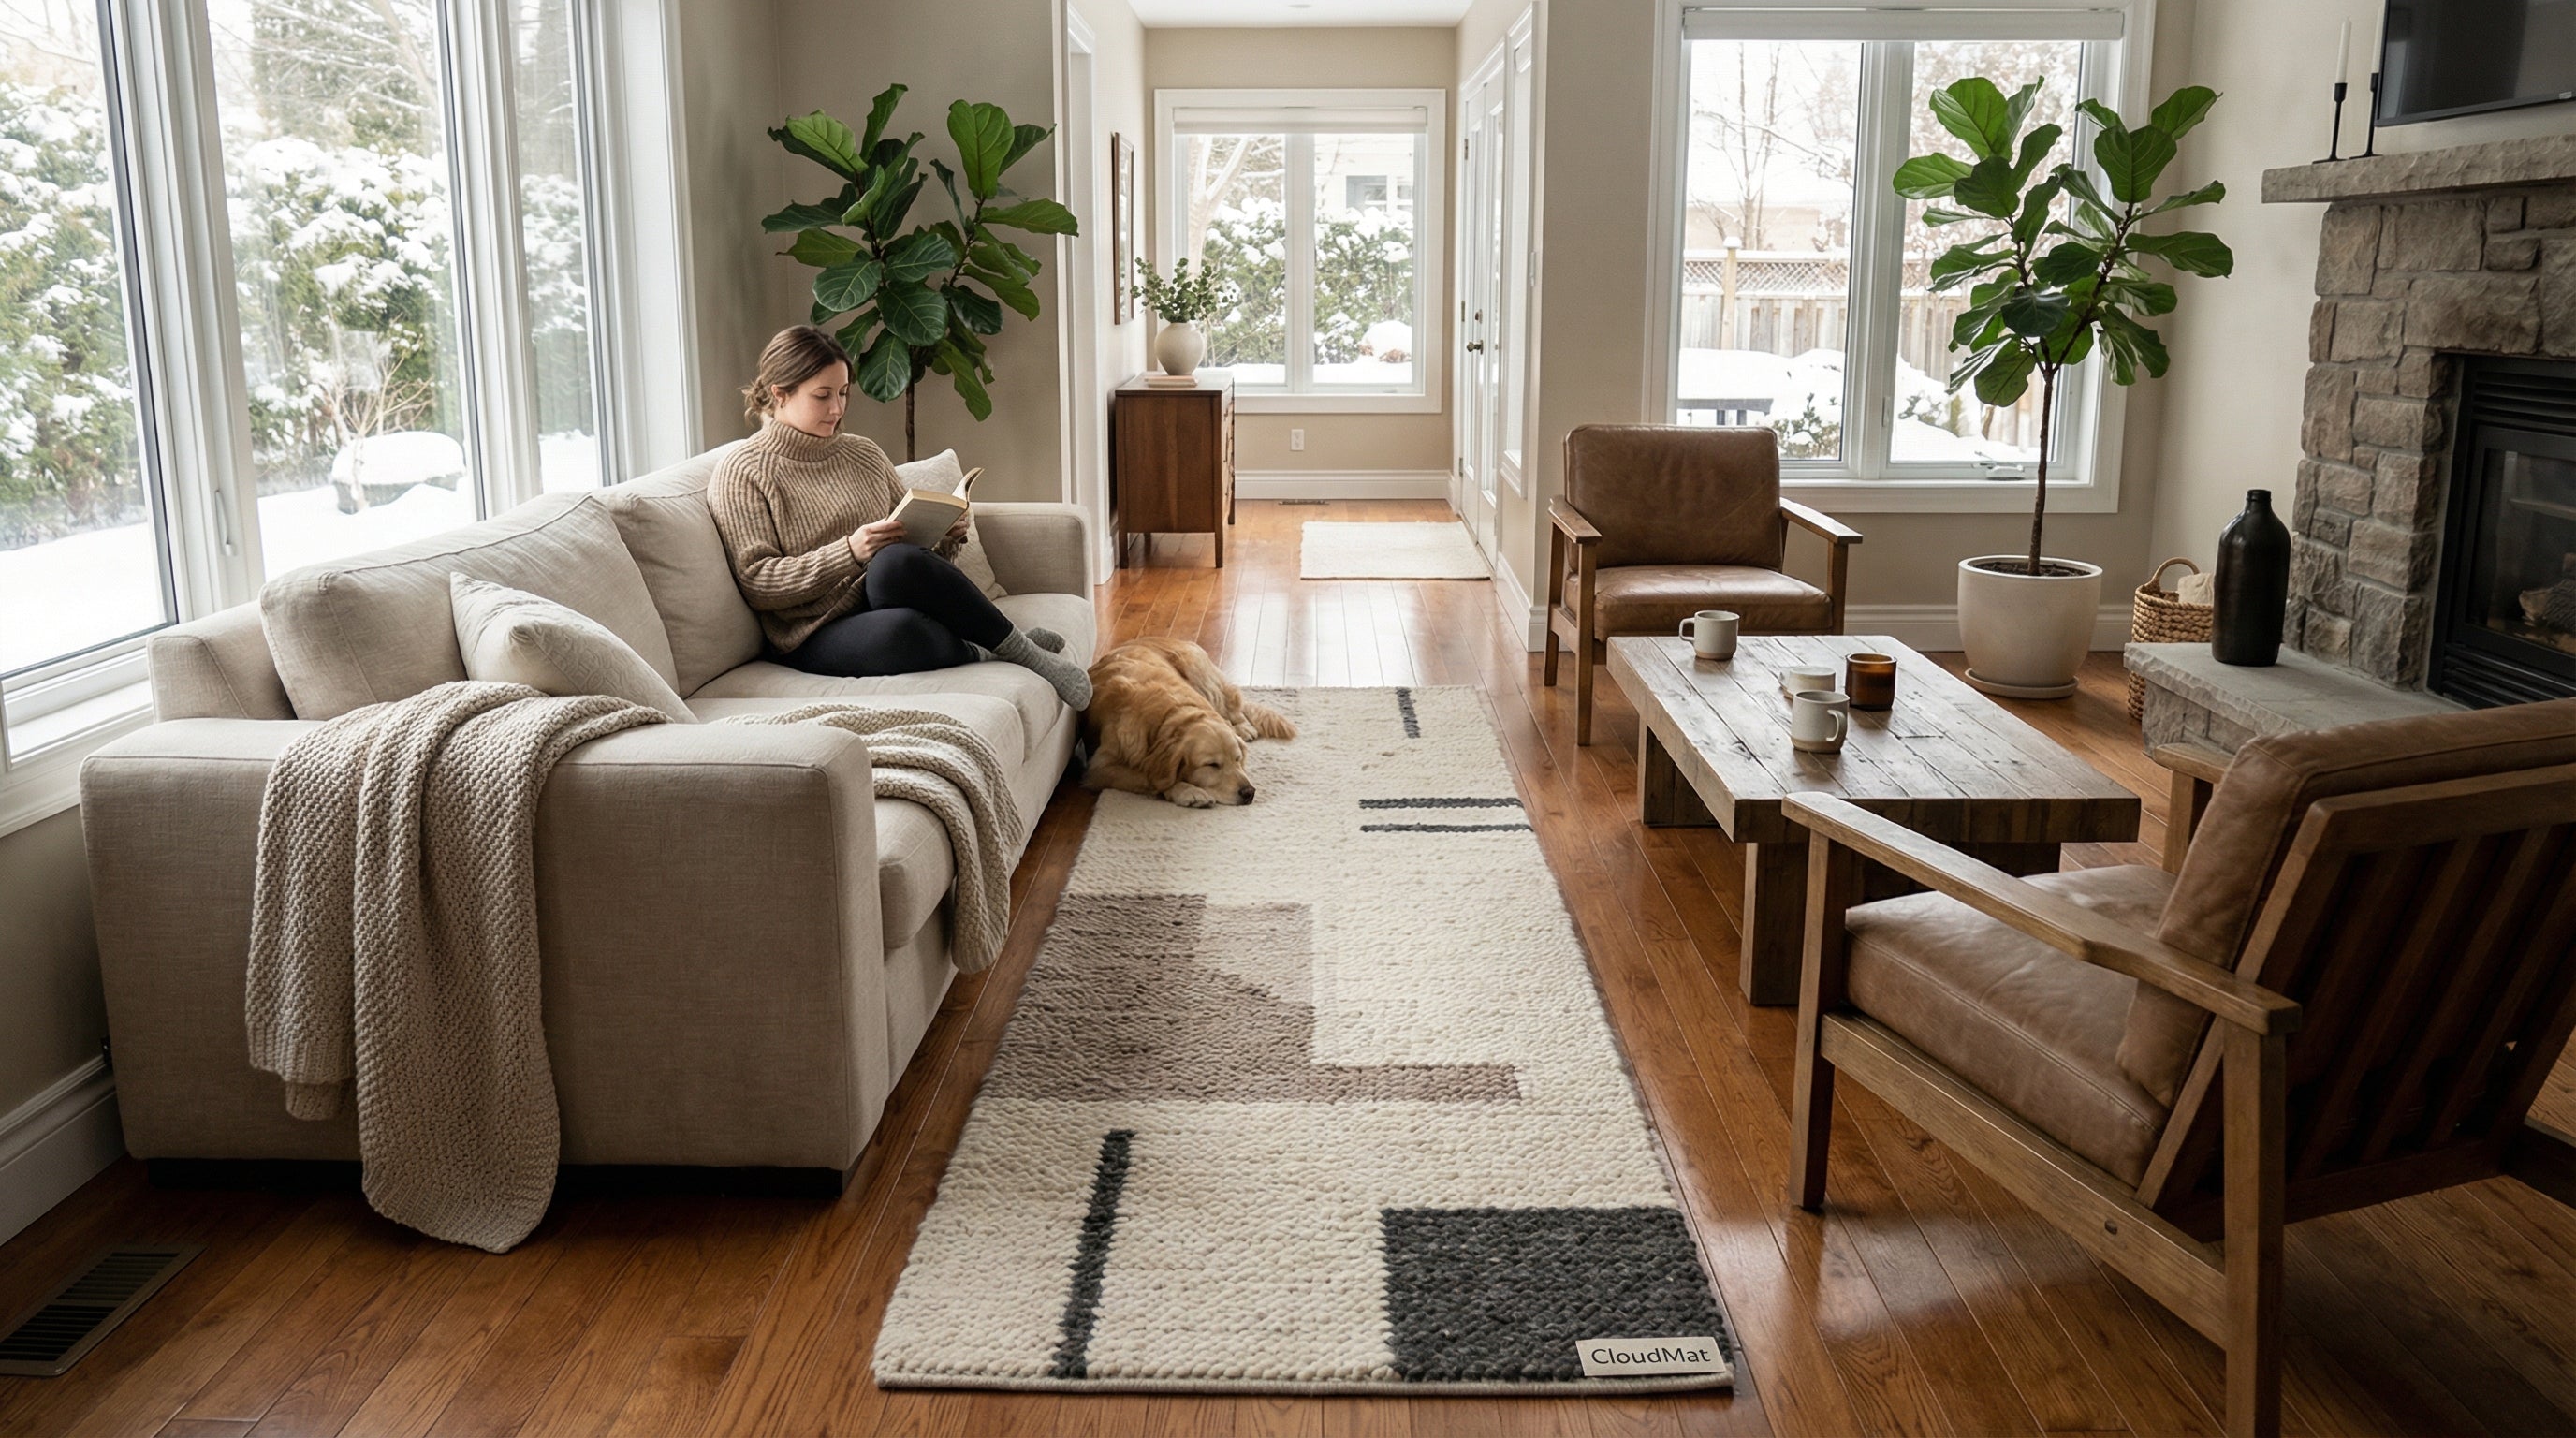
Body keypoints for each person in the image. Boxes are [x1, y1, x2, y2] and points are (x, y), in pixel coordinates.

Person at [708, 325, 1090, 709]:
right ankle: (997, 649)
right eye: (822, 396)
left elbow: (911, 557)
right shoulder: (743, 471)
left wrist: (944, 535)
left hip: (883, 594)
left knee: (893, 562)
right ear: (779, 394)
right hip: (814, 630)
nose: (837, 409)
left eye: (843, 394)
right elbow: (758, 582)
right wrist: (851, 551)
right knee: (903, 629)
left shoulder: (863, 453)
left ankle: (1025, 653)